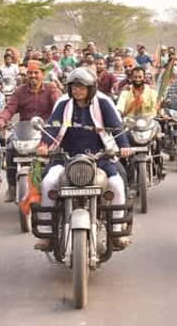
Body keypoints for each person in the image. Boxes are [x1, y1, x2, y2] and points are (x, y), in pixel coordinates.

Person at [34, 67, 133, 250]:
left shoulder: (103, 104)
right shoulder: (64, 105)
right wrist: (44, 144)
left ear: (91, 88)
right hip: (65, 157)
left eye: (81, 87)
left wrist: (124, 146)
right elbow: (53, 126)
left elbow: (117, 127)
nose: (76, 90)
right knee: (48, 182)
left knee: (118, 184)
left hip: (98, 158)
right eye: (73, 87)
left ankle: (117, 233)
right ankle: (47, 234)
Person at [0, 61, 61, 201]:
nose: (33, 76)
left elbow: (58, 109)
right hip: (24, 131)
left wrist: (57, 124)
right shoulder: (20, 91)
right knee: (10, 149)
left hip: (45, 132)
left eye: (36, 73)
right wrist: (2, 120)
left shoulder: (51, 90)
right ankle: (12, 187)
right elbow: (10, 108)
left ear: (42, 74)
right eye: (30, 73)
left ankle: (50, 185)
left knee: (52, 155)